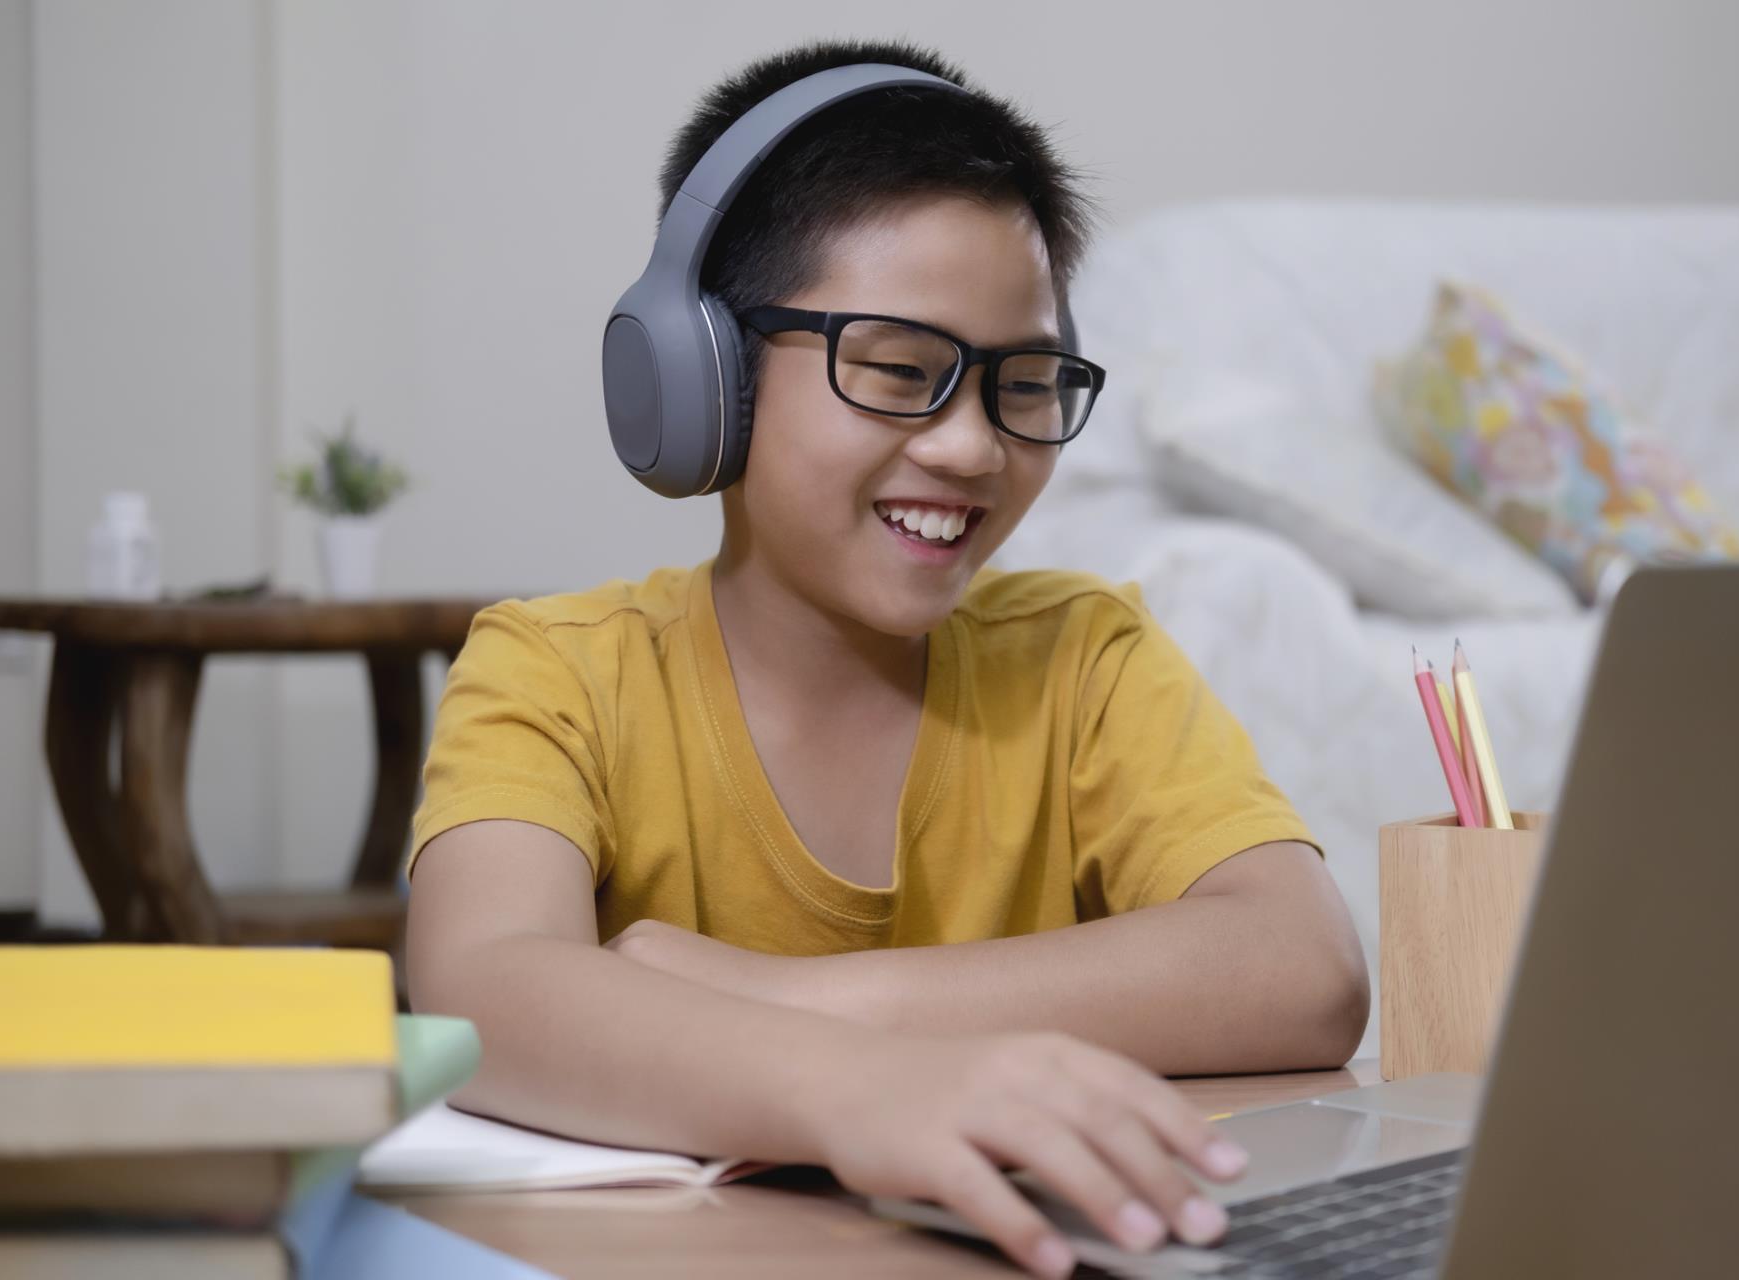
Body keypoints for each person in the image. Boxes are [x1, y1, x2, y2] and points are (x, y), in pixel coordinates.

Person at [405, 37, 1368, 1280]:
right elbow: (483, 986)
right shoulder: (556, 672)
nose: (971, 448)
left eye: (1023, 383)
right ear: (709, 376)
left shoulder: (1086, 658)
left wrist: (784, 998)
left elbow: (1302, 964)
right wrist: (849, 1087)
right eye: (901, 371)